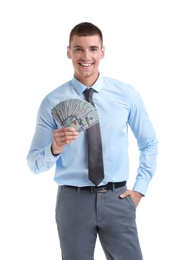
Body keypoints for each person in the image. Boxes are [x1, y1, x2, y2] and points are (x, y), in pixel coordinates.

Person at [26, 22, 158, 260]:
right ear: (68, 52)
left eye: (93, 49)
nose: (86, 56)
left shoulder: (125, 94)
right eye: (78, 49)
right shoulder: (52, 102)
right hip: (73, 202)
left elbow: (149, 143)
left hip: (117, 199)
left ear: (102, 52)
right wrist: (54, 148)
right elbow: (34, 163)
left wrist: (139, 190)